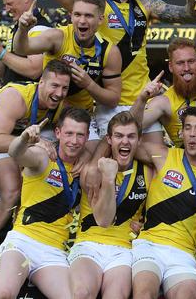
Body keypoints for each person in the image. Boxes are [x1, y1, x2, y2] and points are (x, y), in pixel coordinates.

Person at [43, 0, 196, 140]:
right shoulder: (93, 4)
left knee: (155, 158)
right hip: (110, 104)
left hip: (145, 101)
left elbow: (189, 15)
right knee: (116, 160)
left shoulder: (147, 5)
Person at [0, 60, 72, 273]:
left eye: (64, 88)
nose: (59, 93)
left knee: (12, 192)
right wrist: (36, 141)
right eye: (54, 86)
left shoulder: (58, 108)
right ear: (41, 83)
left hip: (0, 141)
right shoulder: (18, 97)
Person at [127, 78, 196, 299]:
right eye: (187, 128)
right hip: (149, 246)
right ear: (180, 133)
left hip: (184, 254)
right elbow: (126, 136)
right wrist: (142, 99)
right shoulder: (163, 155)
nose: (191, 134)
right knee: (144, 294)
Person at [0, 107, 91, 299]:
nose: (74, 141)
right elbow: (15, 153)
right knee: (4, 294)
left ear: (87, 137)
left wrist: (88, 156)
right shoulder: (43, 156)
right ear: (58, 132)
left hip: (53, 252)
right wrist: (23, 139)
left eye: (80, 135)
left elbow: (104, 144)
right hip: (22, 243)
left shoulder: (85, 166)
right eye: (69, 133)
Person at [14, 0, 122, 144]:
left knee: (90, 162)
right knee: (38, 156)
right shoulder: (58, 37)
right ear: (71, 16)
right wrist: (23, 29)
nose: (82, 21)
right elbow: (21, 48)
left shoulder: (109, 51)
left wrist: (89, 84)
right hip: (45, 116)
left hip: (79, 118)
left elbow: (113, 99)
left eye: (88, 16)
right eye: (77, 14)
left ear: (100, 19)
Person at [67, 112, 151, 299]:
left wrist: (144, 228)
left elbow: (156, 213)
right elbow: (104, 220)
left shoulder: (148, 172)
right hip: (89, 245)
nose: (125, 142)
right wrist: (108, 177)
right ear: (109, 140)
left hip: (124, 250)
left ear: (139, 140)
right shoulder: (93, 170)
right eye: (119, 136)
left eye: (131, 136)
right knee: (81, 293)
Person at [140, 37, 196, 162]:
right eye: (180, 63)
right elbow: (129, 126)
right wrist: (142, 99)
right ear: (171, 66)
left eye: (191, 61)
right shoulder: (163, 102)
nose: (186, 68)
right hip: (189, 172)